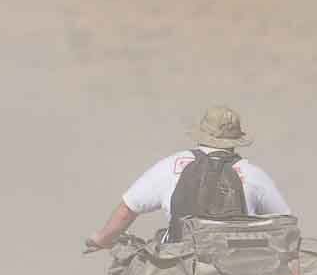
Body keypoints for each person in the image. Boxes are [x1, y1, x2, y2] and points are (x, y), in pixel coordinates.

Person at [86, 105, 290, 249]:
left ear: (201, 135)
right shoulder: (253, 174)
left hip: (179, 269)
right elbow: (286, 224)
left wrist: (102, 238)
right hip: (238, 273)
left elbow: (125, 212)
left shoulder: (170, 167)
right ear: (236, 141)